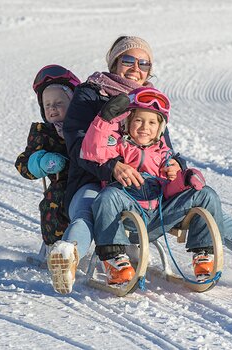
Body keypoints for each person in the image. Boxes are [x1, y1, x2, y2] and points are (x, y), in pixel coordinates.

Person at [48, 35, 232, 296]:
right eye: (128, 61)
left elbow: (164, 149)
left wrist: (178, 171)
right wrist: (113, 168)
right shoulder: (91, 94)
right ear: (114, 63)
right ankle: (67, 255)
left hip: (147, 190)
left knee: (208, 207)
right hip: (93, 180)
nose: (136, 68)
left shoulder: (150, 100)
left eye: (143, 63)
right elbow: (80, 146)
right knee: (89, 210)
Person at [82, 87, 213, 284]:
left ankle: (203, 254)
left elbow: (170, 191)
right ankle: (114, 259)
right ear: (128, 122)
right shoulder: (119, 145)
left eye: (152, 122)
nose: (145, 127)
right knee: (107, 196)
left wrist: (183, 179)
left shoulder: (164, 153)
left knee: (206, 194)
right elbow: (93, 152)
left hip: (161, 215)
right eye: (138, 120)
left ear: (160, 128)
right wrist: (104, 120)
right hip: (128, 214)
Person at [15, 64, 81, 249]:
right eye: (47, 104)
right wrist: (41, 162)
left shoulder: (86, 127)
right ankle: (55, 247)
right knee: (53, 202)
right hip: (64, 182)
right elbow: (23, 163)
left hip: (90, 178)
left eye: (59, 103)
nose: (53, 108)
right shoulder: (43, 133)